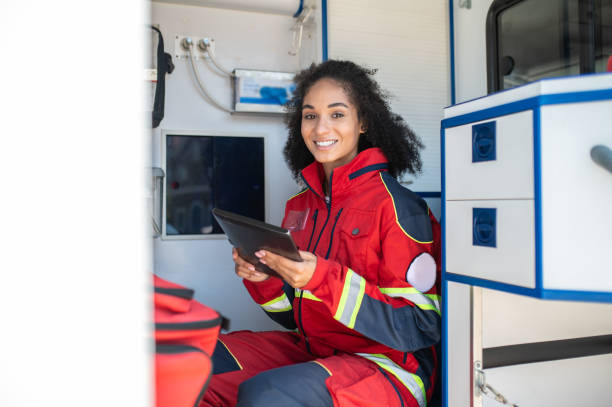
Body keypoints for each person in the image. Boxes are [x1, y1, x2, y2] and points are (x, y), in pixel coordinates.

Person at [201, 60, 441, 407]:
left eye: (337, 114)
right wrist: (261, 277)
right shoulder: (300, 206)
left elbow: (418, 327)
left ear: (363, 123)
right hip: (318, 352)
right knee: (193, 362)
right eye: (310, 115)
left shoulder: (399, 208)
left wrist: (321, 278)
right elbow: (290, 316)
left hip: (390, 367)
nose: (320, 127)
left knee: (265, 396)